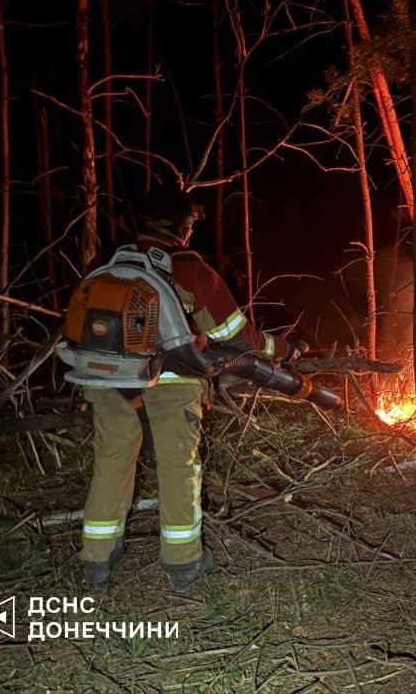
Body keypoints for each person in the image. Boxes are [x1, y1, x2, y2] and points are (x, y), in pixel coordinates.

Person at [79, 183, 305, 592]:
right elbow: (239, 337)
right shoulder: (187, 268)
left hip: (110, 380)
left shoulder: (109, 265)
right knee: (178, 466)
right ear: (181, 228)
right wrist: (285, 350)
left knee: (111, 460)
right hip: (171, 383)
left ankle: (97, 561)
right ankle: (183, 564)